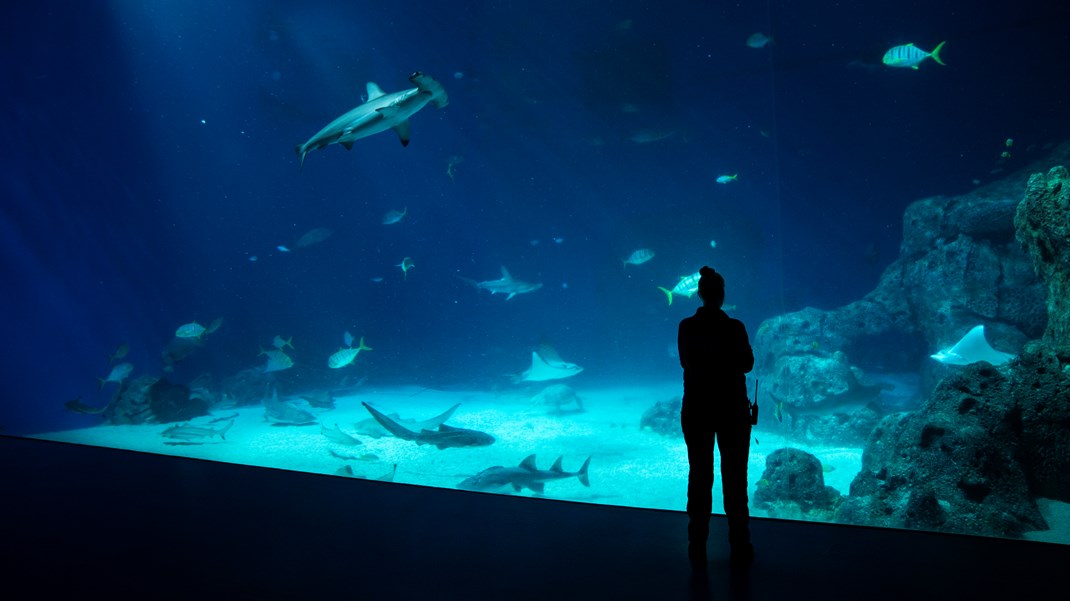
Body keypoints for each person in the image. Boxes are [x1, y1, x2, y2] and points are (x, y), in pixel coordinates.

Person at [677, 266, 755, 566]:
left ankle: (696, 544)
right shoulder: (735, 327)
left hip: (696, 409)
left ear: (699, 294)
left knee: (699, 476)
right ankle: (740, 542)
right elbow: (747, 364)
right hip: (731, 410)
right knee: (735, 478)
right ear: (722, 296)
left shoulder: (686, 326)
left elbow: (686, 362)